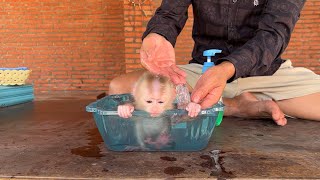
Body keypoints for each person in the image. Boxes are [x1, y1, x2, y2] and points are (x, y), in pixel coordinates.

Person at [109, 0, 320, 126]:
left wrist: (227, 69)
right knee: (120, 88)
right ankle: (238, 106)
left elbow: (274, 34)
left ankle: (227, 100)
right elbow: (169, 13)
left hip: (268, 73)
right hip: (204, 71)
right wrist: (156, 35)